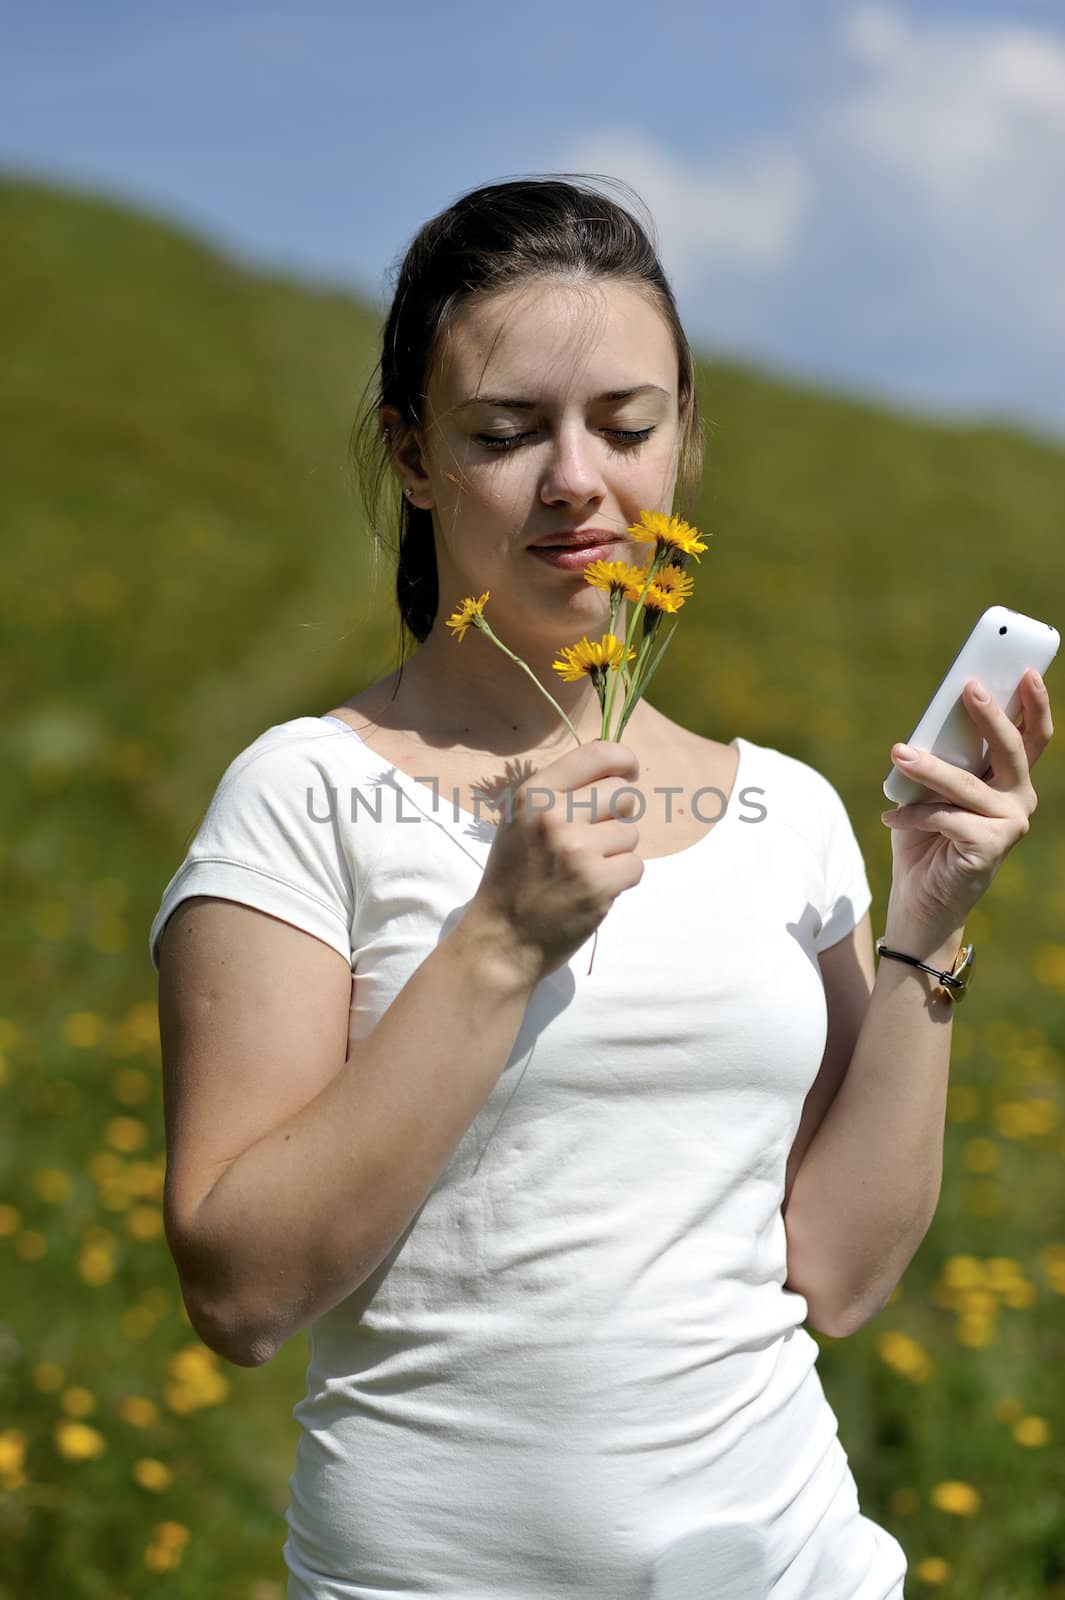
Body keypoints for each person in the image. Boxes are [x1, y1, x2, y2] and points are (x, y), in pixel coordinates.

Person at [149, 176, 1051, 1600]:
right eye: (506, 433)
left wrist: (925, 933)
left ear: (684, 443)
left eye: (626, 426)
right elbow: (241, 1294)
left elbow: (836, 1274)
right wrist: (499, 941)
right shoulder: (304, 792)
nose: (577, 479)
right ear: (413, 455)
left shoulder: (785, 810)